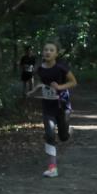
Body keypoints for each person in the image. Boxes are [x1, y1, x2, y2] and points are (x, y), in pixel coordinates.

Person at [27, 39, 76, 178]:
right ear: (43, 52)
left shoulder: (61, 68)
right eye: (46, 50)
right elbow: (43, 82)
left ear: (56, 53)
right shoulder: (40, 68)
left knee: (63, 137)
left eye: (51, 50)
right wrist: (34, 89)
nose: (48, 52)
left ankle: (68, 131)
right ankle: (52, 167)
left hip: (63, 106)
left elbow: (73, 82)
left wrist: (60, 87)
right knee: (49, 135)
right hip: (48, 106)